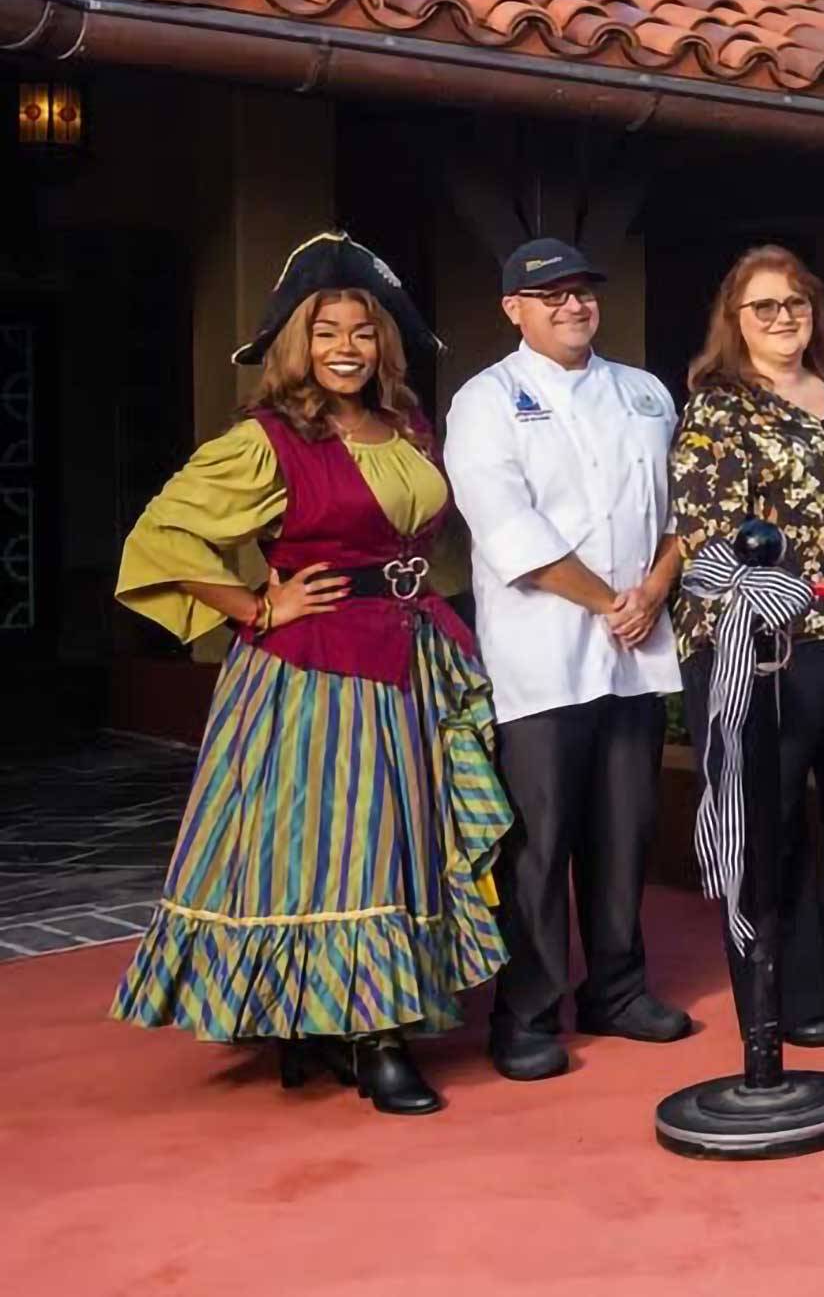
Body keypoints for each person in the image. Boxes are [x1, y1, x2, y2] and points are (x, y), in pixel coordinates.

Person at [111, 232, 507, 1116]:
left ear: (383, 344)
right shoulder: (267, 438)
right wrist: (255, 605)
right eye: (325, 330)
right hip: (313, 673)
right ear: (296, 341)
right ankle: (374, 1037)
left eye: (361, 331)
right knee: (343, 851)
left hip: (411, 655)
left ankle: (334, 1026)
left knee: (403, 842)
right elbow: (161, 537)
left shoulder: (406, 423)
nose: (344, 347)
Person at [445, 238, 693, 1082]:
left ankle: (618, 989)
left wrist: (655, 586)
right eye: (548, 295)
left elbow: (683, 504)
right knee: (541, 842)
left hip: (636, 649)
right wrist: (608, 600)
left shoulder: (647, 393)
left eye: (583, 291)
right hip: (543, 656)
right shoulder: (486, 401)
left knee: (626, 829)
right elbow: (507, 526)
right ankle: (527, 1012)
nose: (572, 306)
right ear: (512, 307)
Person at [670, 245, 824, 1048]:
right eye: (765, 307)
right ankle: (786, 994)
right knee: (766, 824)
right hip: (761, 651)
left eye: (797, 304)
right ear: (734, 321)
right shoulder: (718, 409)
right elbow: (713, 539)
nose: (784, 319)